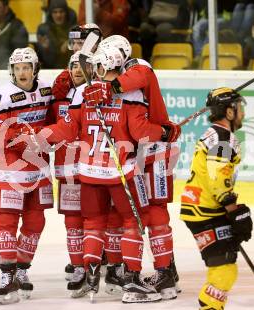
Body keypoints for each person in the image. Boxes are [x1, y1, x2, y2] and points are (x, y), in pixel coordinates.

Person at [39, 45, 176, 303]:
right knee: (135, 222)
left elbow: (66, 129)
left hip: (91, 173)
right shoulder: (129, 94)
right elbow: (140, 132)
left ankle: (94, 279)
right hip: (122, 172)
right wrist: (168, 132)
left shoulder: (85, 92)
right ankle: (133, 281)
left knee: (93, 223)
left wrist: (39, 138)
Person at [82, 35, 182, 298]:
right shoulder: (115, 78)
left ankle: (165, 272)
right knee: (132, 213)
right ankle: (125, 270)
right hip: (131, 155)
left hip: (156, 150)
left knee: (155, 211)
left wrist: (109, 88)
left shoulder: (138, 67)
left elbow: (139, 77)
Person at [0, 47, 54, 305]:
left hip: (38, 169)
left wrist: (51, 137)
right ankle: (7, 275)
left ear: (35, 69)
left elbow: (56, 118)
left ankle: (22, 269)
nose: (22, 72)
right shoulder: (1, 96)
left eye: (26, 67)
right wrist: (30, 144)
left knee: (36, 222)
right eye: (17, 68)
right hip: (9, 169)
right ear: (11, 70)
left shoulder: (46, 91)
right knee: (6, 223)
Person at [180, 87, 253, 310]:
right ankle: (210, 306)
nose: (242, 112)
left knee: (225, 262)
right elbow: (217, 176)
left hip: (202, 207)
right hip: (205, 211)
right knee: (224, 268)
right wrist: (233, 209)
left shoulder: (215, 133)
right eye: (238, 107)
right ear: (229, 112)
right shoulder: (223, 137)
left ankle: (211, 305)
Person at [50, 51, 86, 295]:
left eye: (82, 66)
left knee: (100, 221)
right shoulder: (57, 98)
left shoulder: (99, 95)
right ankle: (78, 265)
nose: (77, 70)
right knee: (73, 222)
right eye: (73, 66)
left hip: (95, 170)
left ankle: (107, 263)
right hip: (68, 170)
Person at [36, 0, 77, 69]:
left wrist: (70, 45)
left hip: (71, 69)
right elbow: (46, 61)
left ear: (66, 13)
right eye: (55, 12)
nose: (58, 15)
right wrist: (46, 49)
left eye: (61, 11)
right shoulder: (43, 30)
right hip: (49, 70)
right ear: (50, 14)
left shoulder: (75, 30)